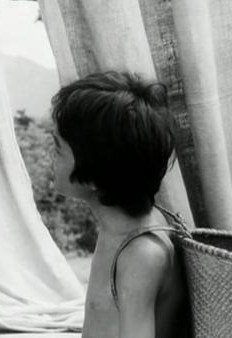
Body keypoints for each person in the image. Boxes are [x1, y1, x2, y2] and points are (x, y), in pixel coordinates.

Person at [50, 71, 191, 338]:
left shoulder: (142, 254)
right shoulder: (118, 226)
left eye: (57, 149)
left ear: (94, 173)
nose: (50, 157)